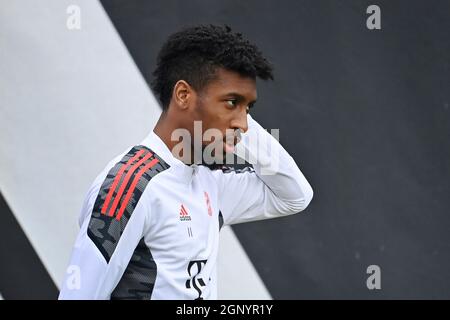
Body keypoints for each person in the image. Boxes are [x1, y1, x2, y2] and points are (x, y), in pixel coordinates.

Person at [59, 24, 313, 300]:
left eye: (248, 108)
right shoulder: (131, 184)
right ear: (183, 95)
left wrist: (238, 122)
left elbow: (295, 196)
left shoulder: (208, 182)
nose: (243, 123)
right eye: (231, 102)